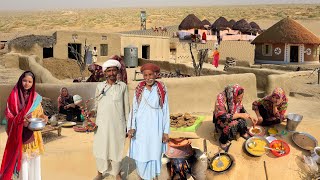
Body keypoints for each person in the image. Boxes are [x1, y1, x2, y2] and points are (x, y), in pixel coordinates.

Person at [0, 71, 48, 180]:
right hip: (20, 135)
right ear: (21, 80)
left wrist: (44, 117)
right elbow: (9, 116)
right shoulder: (13, 97)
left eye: (30, 82)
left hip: (34, 136)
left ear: (33, 83)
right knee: (24, 162)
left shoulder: (36, 98)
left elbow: (39, 113)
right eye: (25, 80)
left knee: (34, 160)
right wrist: (21, 121)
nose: (27, 83)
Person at [127, 63, 170, 180]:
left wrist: (165, 131)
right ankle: (141, 176)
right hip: (141, 127)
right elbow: (134, 110)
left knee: (154, 152)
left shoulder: (161, 89)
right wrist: (131, 127)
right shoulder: (139, 89)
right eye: (145, 75)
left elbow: (166, 110)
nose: (148, 78)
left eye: (150, 75)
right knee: (141, 152)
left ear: (156, 75)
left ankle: (152, 177)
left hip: (156, 127)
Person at [92, 59, 129, 180]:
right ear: (105, 73)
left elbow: (126, 107)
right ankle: (100, 172)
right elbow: (96, 105)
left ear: (117, 72)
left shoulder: (122, 86)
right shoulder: (100, 86)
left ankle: (117, 173)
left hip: (117, 124)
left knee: (116, 148)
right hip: (101, 124)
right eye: (109, 71)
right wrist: (90, 114)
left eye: (114, 70)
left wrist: (128, 126)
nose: (112, 73)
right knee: (101, 147)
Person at [213, 84, 256, 149]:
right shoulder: (221, 98)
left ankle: (243, 132)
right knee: (231, 124)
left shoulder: (237, 97)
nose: (240, 100)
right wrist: (239, 115)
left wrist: (250, 116)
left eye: (242, 97)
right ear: (233, 95)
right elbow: (222, 116)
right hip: (221, 120)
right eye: (239, 98)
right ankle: (223, 142)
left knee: (242, 119)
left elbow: (241, 109)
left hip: (231, 115)